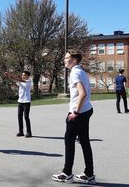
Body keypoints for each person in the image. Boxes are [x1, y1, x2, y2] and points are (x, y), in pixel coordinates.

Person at [52, 51, 96, 184]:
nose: (64, 60)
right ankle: (89, 174)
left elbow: (82, 93)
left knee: (69, 141)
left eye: (67, 58)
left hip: (79, 113)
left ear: (75, 60)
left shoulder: (75, 72)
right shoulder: (81, 71)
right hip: (87, 110)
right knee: (84, 142)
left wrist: (75, 113)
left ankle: (67, 173)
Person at [4, 70, 33, 137]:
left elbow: (19, 80)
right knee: (19, 116)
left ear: (28, 76)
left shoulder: (29, 81)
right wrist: (8, 76)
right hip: (20, 101)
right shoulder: (20, 81)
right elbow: (14, 80)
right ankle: (21, 131)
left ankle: (29, 132)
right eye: (22, 75)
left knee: (26, 117)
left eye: (24, 75)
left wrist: (10, 74)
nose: (23, 76)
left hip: (26, 101)